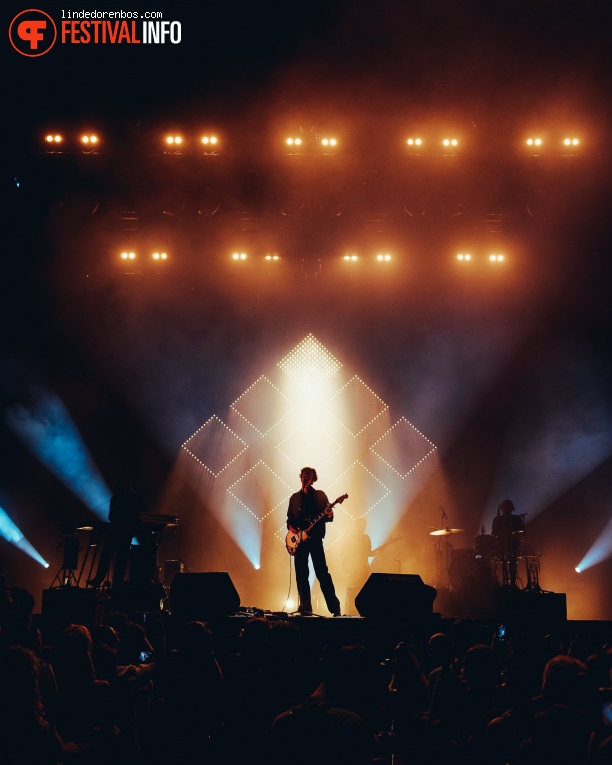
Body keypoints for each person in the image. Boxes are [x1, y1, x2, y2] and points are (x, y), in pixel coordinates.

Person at [286, 467, 341, 616]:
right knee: (301, 575)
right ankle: (305, 609)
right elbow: (289, 520)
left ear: (313, 479)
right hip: (299, 542)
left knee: (322, 573)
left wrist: (329, 514)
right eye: (302, 475)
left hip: (315, 539)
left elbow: (329, 517)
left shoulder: (320, 496)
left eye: (307, 475)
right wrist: (294, 531)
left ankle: (335, 609)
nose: (304, 477)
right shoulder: (294, 498)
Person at [87, 475, 147, 589]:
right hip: (122, 531)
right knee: (119, 558)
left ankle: (103, 580)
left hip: (119, 531)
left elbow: (111, 516)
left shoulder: (120, 499)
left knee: (111, 557)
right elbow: (143, 512)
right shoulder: (128, 498)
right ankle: (113, 583)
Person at [491, 499, 525, 588]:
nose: (507, 510)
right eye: (505, 508)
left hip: (513, 544)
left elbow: (522, 532)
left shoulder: (516, 519)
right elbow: (493, 534)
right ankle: (504, 582)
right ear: (502, 509)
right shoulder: (497, 520)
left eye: (508, 508)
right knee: (502, 564)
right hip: (501, 545)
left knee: (513, 562)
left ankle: (512, 582)